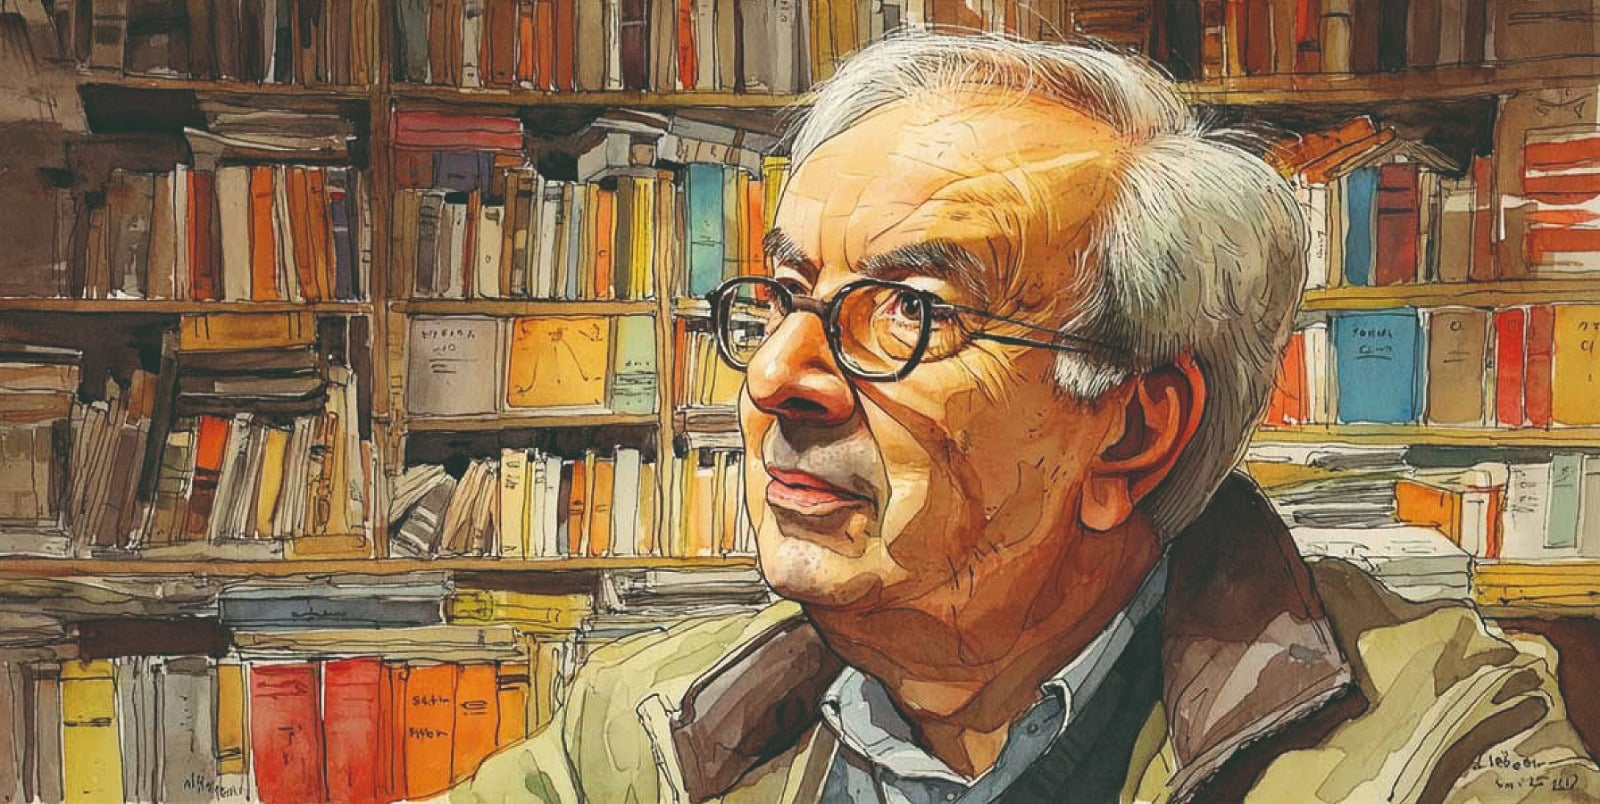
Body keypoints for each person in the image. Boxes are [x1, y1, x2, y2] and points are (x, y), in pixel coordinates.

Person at [452, 32, 1600, 803]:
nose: (776, 378)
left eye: (909, 310)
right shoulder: (645, 728)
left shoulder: (1429, 741)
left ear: (1131, 432)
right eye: (788, 294)